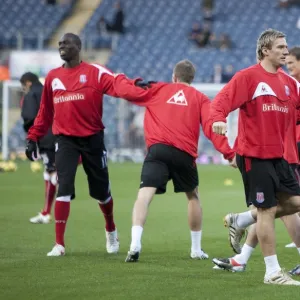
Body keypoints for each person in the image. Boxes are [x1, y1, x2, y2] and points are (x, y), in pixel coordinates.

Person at [113, 59, 235, 262]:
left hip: (157, 151)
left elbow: (127, 90)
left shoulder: (158, 89)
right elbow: (212, 127)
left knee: (143, 197)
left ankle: (135, 244)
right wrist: (228, 153)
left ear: (174, 77)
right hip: (184, 154)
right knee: (193, 197)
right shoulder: (201, 98)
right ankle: (196, 250)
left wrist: (118, 79)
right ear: (192, 79)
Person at [210, 28, 300, 285]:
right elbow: (220, 102)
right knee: (267, 210)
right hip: (254, 154)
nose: (286, 51)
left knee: (295, 202)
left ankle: (241, 219)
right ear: (265, 51)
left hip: (280, 157)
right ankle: (272, 272)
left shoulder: (289, 83)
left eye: (286, 47)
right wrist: (218, 120)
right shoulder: (248, 77)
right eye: (280, 47)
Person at [25, 33, 119, 257]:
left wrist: (138, 88)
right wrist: (33, 137)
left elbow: (118, 84)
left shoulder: (94, 72)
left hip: (93, 138)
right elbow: (45, 112)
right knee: (63, 185)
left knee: (101, 192)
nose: (61, 46)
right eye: (59, 43)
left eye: (66, 43)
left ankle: (111, 229)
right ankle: (59, 244)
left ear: (78, 46)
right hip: (65, 140)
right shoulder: (53, 77)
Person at [20, 72, 57, 224]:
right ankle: (46, 211)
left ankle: (46, 213)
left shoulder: (32, 95)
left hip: (46, 138)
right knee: (52, 172)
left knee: (52, 173)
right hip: (61, 135)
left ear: (28, 83)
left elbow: (29, 117)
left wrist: (31, 136)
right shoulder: (51, 90)